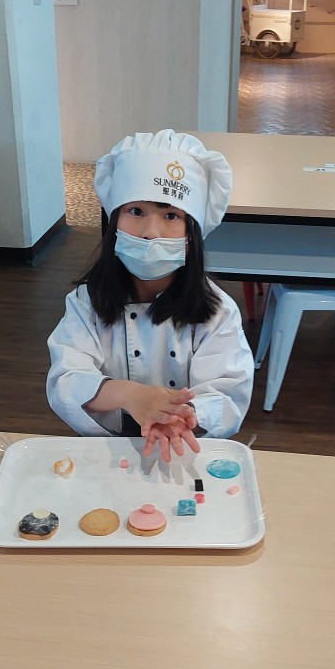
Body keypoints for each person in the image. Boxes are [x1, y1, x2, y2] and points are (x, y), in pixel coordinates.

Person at [46, 129, 254, 462]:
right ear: (113, 222)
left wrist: (184, 414)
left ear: (192, 234)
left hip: (182, 449)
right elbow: (65, 381)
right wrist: (131, 395)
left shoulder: (217, 312)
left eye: (171, 215)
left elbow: (228, 392)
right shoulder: (86, 303)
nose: (150, 232)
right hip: (104, 451)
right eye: (136, 211)